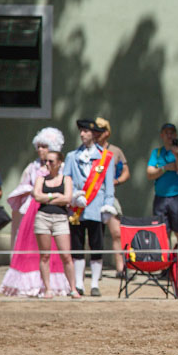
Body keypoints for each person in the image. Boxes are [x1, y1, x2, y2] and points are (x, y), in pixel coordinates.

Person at [63, 119, 117, 296]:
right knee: (77, 246)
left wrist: (108, 204)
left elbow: (109, 184)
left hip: (96, 207)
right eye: (81, 131)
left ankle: (95, 284)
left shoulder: (105, 157)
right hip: (77, 209)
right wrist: (72, 197)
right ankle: (79, 283)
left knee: (97, 245)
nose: (82, 134)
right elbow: (67, 181)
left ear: (94, 134)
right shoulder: (72, 156)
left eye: (86, 131)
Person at [31, 150, 80, 298]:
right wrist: (54, 195)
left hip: (60, 219)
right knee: (45, 255)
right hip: (43, 218)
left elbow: (67, 199)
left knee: (66, 255)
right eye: (46, 161)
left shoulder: (66, 179)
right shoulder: (41, 179)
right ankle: (47, 289)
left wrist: (48, 198)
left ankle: (73, 288)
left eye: (51, 161)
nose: (47, 164)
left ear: (59, 163)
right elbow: (37, 196)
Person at [6, 127, 64, 249]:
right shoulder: (32, 167)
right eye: (38, 146)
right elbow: (23, 186)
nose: (40, 150)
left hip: (55, 208)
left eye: (44, 146)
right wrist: (31, 190)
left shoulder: (62, 167)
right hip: (33, 208)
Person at [93, 117, 130, 278]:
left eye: (99, 131)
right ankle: (96, 268)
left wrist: (115, 181)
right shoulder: (89, 150)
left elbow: (126, 172)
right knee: (95, 234)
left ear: (107, 133)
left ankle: (120, 268)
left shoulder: (115, 151)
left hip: (109, 196)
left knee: (117, 233)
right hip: (92, 196)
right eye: (94, 131)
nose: (96, 134)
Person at [146, 123, 178, 248]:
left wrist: (177, 156)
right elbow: (149, 174)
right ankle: (166, 263)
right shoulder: (157, 153)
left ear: (175, 135)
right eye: (166, 133)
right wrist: (166, 168)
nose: (169, 136)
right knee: (162, 231)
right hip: (160, 197)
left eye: (172, 133)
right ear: (162, 135)